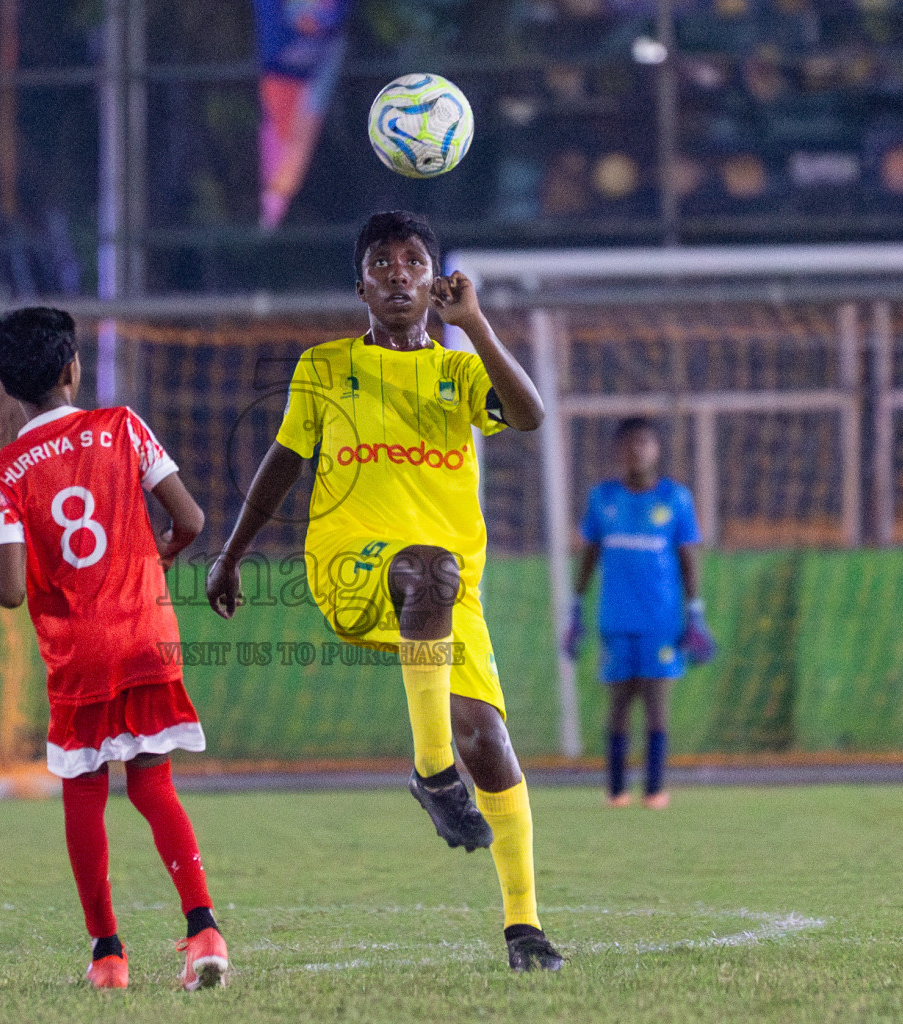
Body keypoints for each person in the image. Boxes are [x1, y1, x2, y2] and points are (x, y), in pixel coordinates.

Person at [205, 210, 565, 972]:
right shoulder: (325, 366)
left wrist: (477, 326)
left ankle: (524, 927)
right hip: (349, 562)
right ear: (360, 284)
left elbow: (530, 414)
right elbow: (280, 464)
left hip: (447, 587)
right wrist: (231, 554)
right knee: (429, 567)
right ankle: (432, 774)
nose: (398, 272)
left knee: (491, 746)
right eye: (382, 262)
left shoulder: (463, 370)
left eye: (413, 261)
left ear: (434, 281)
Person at [0, 306, 227, 991]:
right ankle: (203, 930)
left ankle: (108, 954)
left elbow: (6, 595)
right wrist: (157, 557)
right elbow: (192, 520)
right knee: (152, 783)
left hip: (77, 652)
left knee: (83, 792)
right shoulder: (124, 427)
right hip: (146, 635)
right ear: (71, 368)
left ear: (9, 387)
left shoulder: (1, 475)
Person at [562, 417, 716, 809]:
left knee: (657, 706)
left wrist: (695, 613)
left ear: (656, 449)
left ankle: (655, 789)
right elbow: (590, 555)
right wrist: (576, 609)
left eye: (644, 443)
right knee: (617, 706)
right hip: (615, 620)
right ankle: (615, 789)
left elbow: (688, 558)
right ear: (618, 451)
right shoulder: (602, 498)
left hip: (662, 623)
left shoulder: (676, 499)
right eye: (628, 444)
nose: (636, 451)